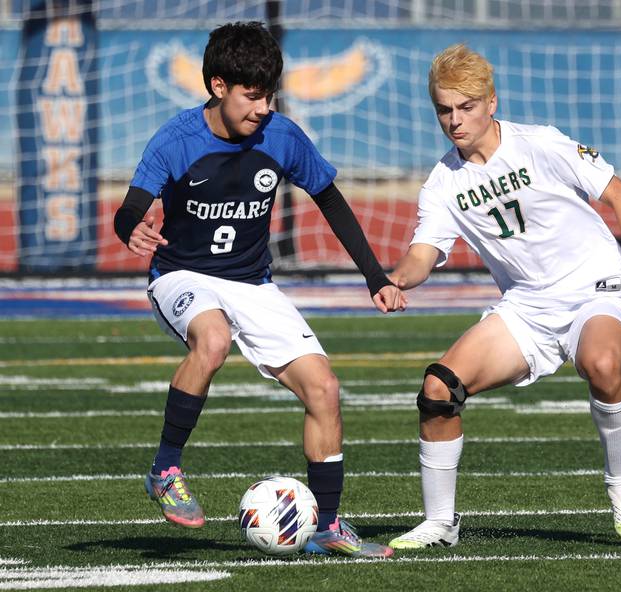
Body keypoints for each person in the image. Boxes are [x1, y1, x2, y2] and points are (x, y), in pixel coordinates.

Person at [113, 21, 404, 558]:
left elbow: (330, 200)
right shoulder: (176, 139)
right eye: (252, 96)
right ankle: (165, 470)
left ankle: (326, 527)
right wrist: (131, 227)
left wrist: (375, 275)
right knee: (213, 340)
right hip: (181, 275)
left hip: (252, 282)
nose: (263, 108)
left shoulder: (282, 136)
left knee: (324, 389)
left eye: (269, 95)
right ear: (218, 86)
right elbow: (130, 208)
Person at [386, 44, 621, 550]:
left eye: (466, 107)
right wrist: (397, 279)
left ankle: (620, 485)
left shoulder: (541, 144)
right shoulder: (442, 183)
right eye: (444, 110)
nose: (455, 120)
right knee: (438, 389)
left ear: (491, 102)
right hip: (527, 308)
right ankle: (440, 524)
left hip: (594, 289)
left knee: (601, 365)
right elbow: (422, 254)